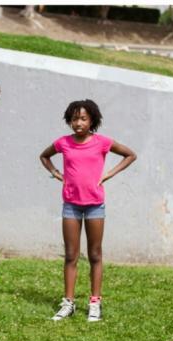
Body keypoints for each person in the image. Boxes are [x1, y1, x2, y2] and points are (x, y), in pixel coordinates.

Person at [39, 99, 136, 322]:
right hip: (71, 205)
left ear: (92, 120)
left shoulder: (102, 142)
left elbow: (130, 154)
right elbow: (44, 156)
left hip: (95, 206)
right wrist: (55, 172)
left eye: (83, 118)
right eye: (74, 119)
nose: (78, 123)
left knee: (94, 255)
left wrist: (109, 174)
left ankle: (95, 302)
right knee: (71, 255)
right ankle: (68, 303)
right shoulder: (63, 143)